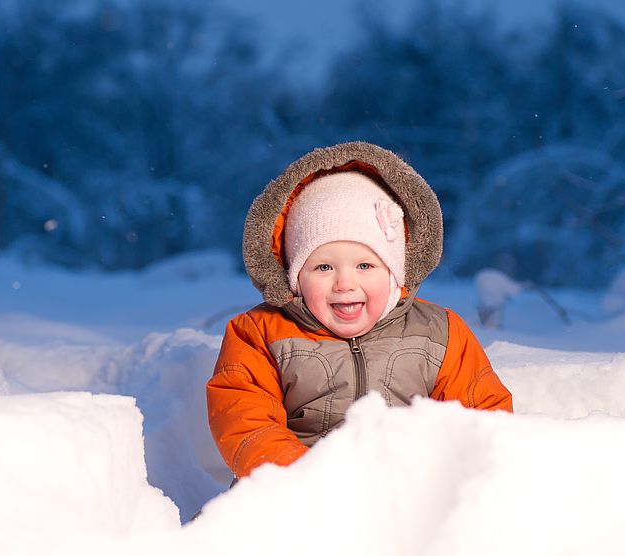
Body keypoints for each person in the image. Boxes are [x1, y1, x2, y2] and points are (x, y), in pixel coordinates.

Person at [207, 141, 512, 481]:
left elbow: (483, 417)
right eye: (323, 268)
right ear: (294, 278)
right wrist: (302, 477)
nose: (344, 283)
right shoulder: (259, 333)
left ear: (395, 271)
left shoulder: (439, 333)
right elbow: (246, 421)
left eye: (365, 265)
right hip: (295, 492)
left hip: (405, 490)